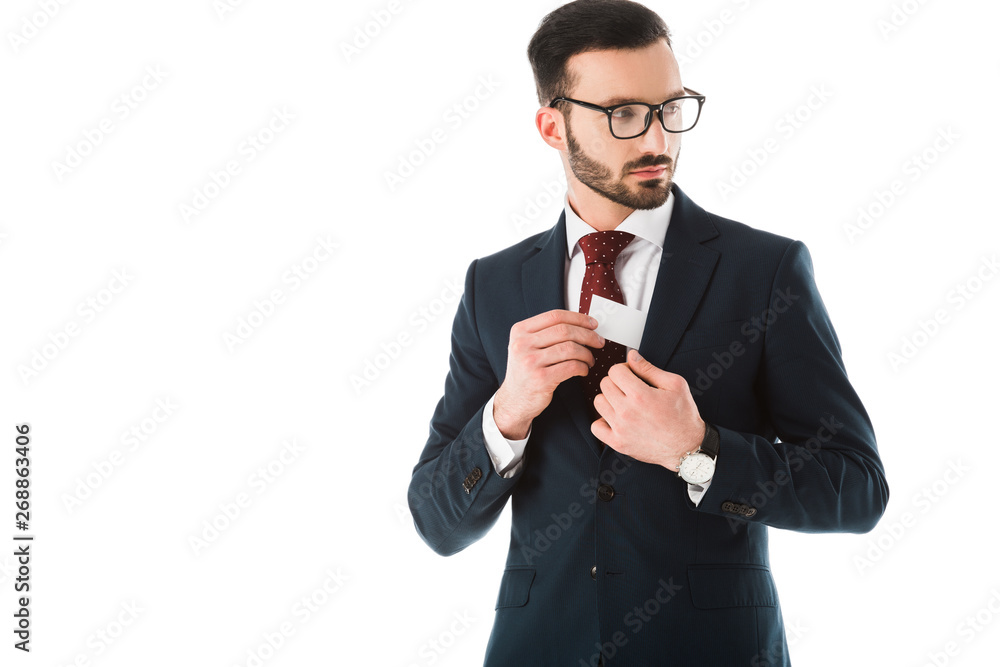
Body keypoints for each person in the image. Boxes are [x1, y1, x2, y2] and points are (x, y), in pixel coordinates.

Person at [406, 1, 889, 664]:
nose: (658, 139)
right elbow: (436, 523)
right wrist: (507, 413)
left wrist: (697, 450)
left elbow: (857, 488)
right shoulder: (493, 285)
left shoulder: (764, 269)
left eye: (670, 108)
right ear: (552, 126)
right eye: (624, 114)